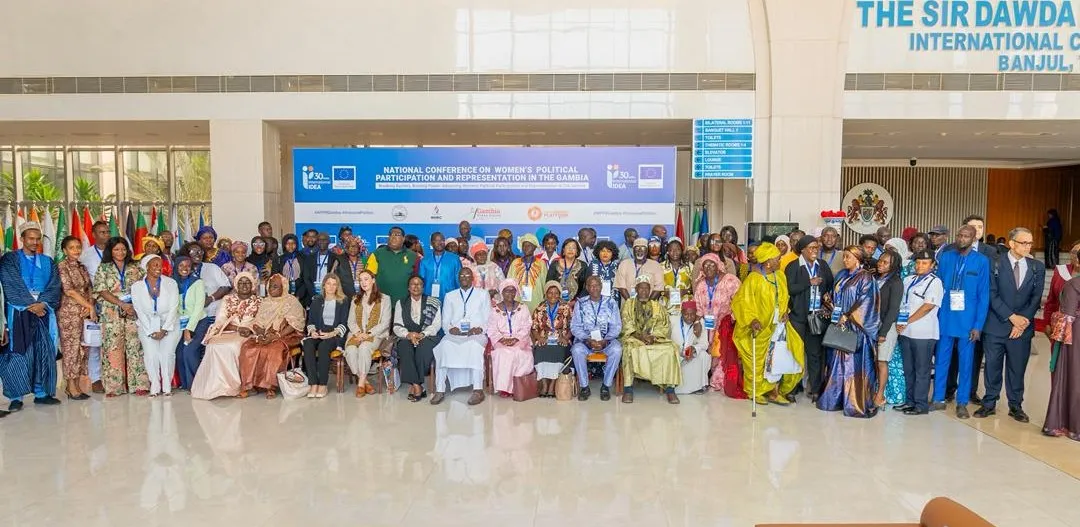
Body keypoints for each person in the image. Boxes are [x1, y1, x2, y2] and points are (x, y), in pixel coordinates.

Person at [975, 227, 1045, 423]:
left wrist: (1021, 322)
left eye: (1030, 243)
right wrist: (1011, 317)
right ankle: (989, 402)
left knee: (1017, 369)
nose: (1027, 246)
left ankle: (1016, 406)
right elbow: (991, 294)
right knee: (992, 367)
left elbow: (1035, 298)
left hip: (1022, 329)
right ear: (1011, 243)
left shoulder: (1036, 267)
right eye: (1024, 242)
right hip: (996, 326)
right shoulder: (994, 263)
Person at [732, 243, 804, 405]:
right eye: (778, 259)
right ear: (768, 262)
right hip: (758, 328)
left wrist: (786, 311)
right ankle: (754, 391)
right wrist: (752, 320)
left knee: (778, 357)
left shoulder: (780, 276)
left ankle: (774, 391)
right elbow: (742, 302)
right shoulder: (753, 279)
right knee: (757, 360)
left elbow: (784, 298)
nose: (780, 261)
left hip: (778, 326)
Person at [0, 222, 61, 411]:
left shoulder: (47, 261)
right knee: (17, 354)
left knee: (43, 352)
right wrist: (31, 305)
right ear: (22, 239)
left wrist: (42, 304)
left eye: (38, 239)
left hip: (43, 312)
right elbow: (10, 283)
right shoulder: (9, 260)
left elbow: (55, 285)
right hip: (19, 313)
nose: (35, 242)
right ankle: (16, 397)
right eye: (31, 239)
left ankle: (41, 393)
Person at [931, 225, 990, 419]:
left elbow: (983, 296)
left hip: (968, 321)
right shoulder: (946, 257)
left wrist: (978, 325)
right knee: (941, 359)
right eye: (959, 235)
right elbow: (938, 287)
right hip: (946, 317)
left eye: (966, 236)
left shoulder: (981, 261)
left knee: (966, 364)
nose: (961, 239)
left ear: (973, 239)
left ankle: (962, 402)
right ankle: (938, 398)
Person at [817, 246, 881, 418]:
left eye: (848, 257)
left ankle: (854, 402)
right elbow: (831, 295)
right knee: (836, 363)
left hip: (856, 328)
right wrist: (830, 305)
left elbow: (867, 302)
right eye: (844, 257)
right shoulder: (842, 275)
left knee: (853, 366)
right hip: (840, 325)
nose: (844, 260)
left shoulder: (866, 277)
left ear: (858, 258)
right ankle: (834, 399)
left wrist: (848, 315)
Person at [190, 272, 261, 400]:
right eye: (240, 282)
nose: (244, 285)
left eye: (247, 282)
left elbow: (260, 321)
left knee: (234, 346)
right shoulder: (227, 299)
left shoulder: (259, 301)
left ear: (253, 285)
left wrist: (249, 329)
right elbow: (220, 319)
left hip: (248, 333)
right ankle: (214, 386)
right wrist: (237, 328)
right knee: (213, 346)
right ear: (235, 285)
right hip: (227, 330)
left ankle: (235, 386)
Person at [93, 237, 148, 397]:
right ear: (110, 251)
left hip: (133, 311)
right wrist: (121, 304)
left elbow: (145, 286)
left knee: (135, 347)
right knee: (113, 348)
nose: (120, 252)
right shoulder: (103, 268)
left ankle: (140, 384)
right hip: (111, 313)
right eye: (116, 249)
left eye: (123, 249)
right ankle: (114, 387)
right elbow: (102, 290)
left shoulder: (136, 266)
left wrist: (133, 305)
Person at [785, 235, 835, 402]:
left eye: (816, 248)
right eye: (812, 248)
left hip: (816, 316)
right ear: (803, 250)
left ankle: (814, 389)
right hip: (798, 317)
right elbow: (789, 289)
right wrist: (809, 282)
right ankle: (791, 388)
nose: (815, 250)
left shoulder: (822, 266)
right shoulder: (793, 266)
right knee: (795, 354)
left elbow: (829, 285)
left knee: (814, 354)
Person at [238, 274, 304, 399]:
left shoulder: (291, 301)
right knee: (248, 348)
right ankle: (250, 385)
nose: (271, 289)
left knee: (273, 350)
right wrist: (260, 333)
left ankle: (270, 387)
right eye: (270, 286)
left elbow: (294, 325)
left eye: (275, 287)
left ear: (283, 288)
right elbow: (257, 322)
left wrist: (275, 336)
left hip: (286, 335)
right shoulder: (266, 301)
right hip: (266, 334)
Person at [430, 268, 490, 406]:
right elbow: (445, 321)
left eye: (467, 275)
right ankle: (440, 389)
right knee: (444, 346)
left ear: (473, 278)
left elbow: (488, 318)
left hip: (476, 334)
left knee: (474, 347)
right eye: (462, 275)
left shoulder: (483, 294)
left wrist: (480, 328)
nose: (464, 277)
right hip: (454, 334)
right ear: (458, 278)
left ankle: (478, 390)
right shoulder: (450, 295)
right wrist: (451, 329)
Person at [895, 250, 944, 415]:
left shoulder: (935, 282)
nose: (920, 266)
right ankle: (909, 401)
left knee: (921, 370)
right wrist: (900, 323)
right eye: (918, 262)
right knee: (908, 369)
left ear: (932, 265)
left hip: (923, 333)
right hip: (905, 332)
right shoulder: (908, 279)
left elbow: (927, 306)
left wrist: (907, 321)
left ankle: (921, 404)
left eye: (924, 263)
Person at [618, 277, 681, 404]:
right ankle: (628, 389)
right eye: (641, 288)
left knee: (671, 349)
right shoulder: (629, 304)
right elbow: (626, 324)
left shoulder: (657, 306)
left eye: (647, 288)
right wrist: (640, 336)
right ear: (636, 289)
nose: (644, 291)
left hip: (654, 339)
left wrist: (653, 337)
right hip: (634, 338)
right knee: (629, 349)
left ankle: (670, 389)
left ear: (650, 290)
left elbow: (664, 325)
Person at [131, 254, 181, 397]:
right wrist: (150, 329)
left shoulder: (171, 283)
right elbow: (138, 310)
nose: (159, 268)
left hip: (170, 324)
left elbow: (174, 307)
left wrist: (164, 329)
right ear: (146, 267)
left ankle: (166, 385)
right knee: (151, 355)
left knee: (167, 354)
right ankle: (155, 384)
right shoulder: (137, 286)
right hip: (147, 324)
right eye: (155, 265)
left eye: (160, 265)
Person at [694, 253, 741, 397]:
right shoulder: (701, 284)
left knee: (722, 353)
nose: (708, 267)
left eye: (711, 264)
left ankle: (719, 380)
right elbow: (698, 307)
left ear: (718, 266)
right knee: (708, 350)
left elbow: (740, 302)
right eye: (705, 265)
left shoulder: (731, 281)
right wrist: (697, 322)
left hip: (726, 324)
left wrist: (732, 319)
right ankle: (705, 377)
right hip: (708, 325)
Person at [570, 275, 622, 401]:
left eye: (597, 285)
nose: (594, 288)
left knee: (617, 350)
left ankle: (605, 386)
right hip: (586, 342)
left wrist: (606, 340)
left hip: (606, 341)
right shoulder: (580, 303)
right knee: (576, 350)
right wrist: (587, 339)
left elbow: (616, 326)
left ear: (601, 286)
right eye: (591, 286)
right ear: (587, 288)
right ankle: (584, 387)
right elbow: (575, 327)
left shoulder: (611, 303)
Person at [57, 236, 95, 400]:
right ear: (65, 250)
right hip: (69, 313)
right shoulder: (62, 267)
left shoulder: (82, 267)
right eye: (71, 248)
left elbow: (89, 288)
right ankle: (71, 387)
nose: (76, 250)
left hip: (83, 312)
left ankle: (78, 385)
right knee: (71, 350)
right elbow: (69, 290)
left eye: (78, 247)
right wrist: (88, 306)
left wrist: (89, 306)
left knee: (82, 349)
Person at [1043, 273, 1080, 439]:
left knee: (1073, 377)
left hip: (1075, 336)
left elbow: (1068, 314)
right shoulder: (1073, 284)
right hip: (1076, 335)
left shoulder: (1074, 284)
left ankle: (1071, 425)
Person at [394, 275, 442, 402]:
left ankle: (415, 385)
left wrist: (423, 334)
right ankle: (417, 385)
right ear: (408, 288)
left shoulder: (433, 302)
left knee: (423, 349)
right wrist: (408, 335)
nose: (416, 286)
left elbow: (436, 325)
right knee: (404, 348)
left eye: (419, 284)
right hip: (407, 336)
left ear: (423, 287)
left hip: (428, 336)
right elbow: (397, 325)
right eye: (413, 284)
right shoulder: (401, 303)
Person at [301, 273, 350, 399]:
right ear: (324, 285)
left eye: (334, 284)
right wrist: (312, 332)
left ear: (337, 286)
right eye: (328, 283)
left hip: (334, 334)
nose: (331, 287)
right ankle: (313, 383)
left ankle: (323, 384)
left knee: (323, 347)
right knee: (308, 344)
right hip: (318, 332)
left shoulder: (343, 301)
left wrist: (331, 334)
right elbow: (310, 321)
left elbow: (344, 323)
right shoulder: (317, 300)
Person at [343, 270, 390, 397]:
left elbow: (385, 323)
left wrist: (368, 334)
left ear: (373, 280)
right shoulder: (355, 299)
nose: (363, 283)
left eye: (366, 279)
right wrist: (358, 333)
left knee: (364, 348)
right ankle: (364, 381)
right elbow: (350, 321)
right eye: (361, 280)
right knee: (351, 349)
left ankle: (360, 384)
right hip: (356, 334)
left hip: (375, 335)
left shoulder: (385, 299)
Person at [488, 279, 534, 398]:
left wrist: (516, 338)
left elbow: (527, 326)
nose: (510, 294)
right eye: (507, 291)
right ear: (502, 293)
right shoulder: (494, 309)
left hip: (520, 340)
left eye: (513, 291)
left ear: (516, 292)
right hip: (501, 340)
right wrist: (501, 339)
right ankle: (504, 388)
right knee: (501, 353)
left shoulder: (523, 308)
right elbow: (491, 329)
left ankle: (517, 386)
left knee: (519, 352)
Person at [80, 219, 111, 393]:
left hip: (114, 302)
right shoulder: (86, 255)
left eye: (107, 232)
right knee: (95, 342)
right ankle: (96, 378)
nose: (106, 235)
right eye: (102, 232)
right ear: (93, 235)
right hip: (96, 303)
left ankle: (113, 376)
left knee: (113, 341)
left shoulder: (116, 251)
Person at [531, 281, 572, 398]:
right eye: (550, 293)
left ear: (559, 294)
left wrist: (565, 338)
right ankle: (544, 385)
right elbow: (534, 328)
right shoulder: (540, 308)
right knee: (539, 350)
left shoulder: (566, 308)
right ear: (546, 294)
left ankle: (552, 385)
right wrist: (539, 338)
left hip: (561, 338)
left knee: (559, 351)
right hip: (544, 338)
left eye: (556, 293)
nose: (553, 295)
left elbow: (572, 327)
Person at [874, 250, 903, 407]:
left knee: (882, 361)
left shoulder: (896, 282)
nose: (880, 263)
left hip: (887, 326)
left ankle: (880, 395)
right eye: (880, 260)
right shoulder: (876, 278)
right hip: (873, 325)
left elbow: (893, 310)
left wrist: (883, 332)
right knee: (874, 360)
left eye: (885, 262)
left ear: (893, 266)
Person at [173, 256, 207, 391]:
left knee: (189, 351)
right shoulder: (171, 283)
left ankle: (197, 384)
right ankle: (186, 384)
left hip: (198, 322)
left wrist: (189, 329)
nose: (184, 269)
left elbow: (199, 308)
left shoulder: (197, 283)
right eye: (181, 266)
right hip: (179, 323)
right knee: (179, 353)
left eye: (187, 266)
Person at [367, 226, 418, 304]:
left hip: (405, 303)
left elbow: (417, 280)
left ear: (403, 238)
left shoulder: (413, 256)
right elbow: (368, 278)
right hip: (381, 302)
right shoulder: (377, 254)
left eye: (397, 235)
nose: (393, 237)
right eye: (391, 235)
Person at [673, 300, 709, 395]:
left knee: (704, 355)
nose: (689, 317)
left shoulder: (700, 322)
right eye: (686, 315)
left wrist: (694, 348)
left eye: (692, 315)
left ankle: (699, 386)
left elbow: (705, 344)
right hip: (676, 356)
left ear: (695, 313)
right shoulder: (673, 320)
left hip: (690, 357)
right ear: (681, 313)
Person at [1042, 241, 1080, 332]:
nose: (1076, 256)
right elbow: (1052, 299)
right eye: (1074, 252)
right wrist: (1047, 322)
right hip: (1060, 325)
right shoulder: (1061, 271)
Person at [418, 231, 461, 303]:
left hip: (450, 297)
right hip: (429, 297)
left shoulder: (454, 259)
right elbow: (421, 280)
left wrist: (459, 297)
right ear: (431, 243)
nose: (440, 243)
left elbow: (458, 279)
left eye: (442, 240)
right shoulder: (425, 260)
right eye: (436, 241)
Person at [507, 233, 546, 310]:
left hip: (537, 302)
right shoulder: (515, 262)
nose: (526, 248)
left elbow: (544, 284)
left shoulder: (541, 263)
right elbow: (509, 282)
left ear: (534, 247)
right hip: (517, 302)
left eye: (529, 245)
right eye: (524, 245)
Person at [662, 238, 693, 324]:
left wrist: (686, 291)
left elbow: (695, 286)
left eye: (678, 249)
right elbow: (656, 287)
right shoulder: (660, 267)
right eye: (671, 249)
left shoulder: (689, 267)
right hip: (666, 306)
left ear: (682, 251)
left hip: (685, 308)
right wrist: (664, 293)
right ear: (667, 251)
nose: (675, 252)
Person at [272, 233, 306, 304]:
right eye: (288, 243)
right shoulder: (278, 260)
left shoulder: (303, 258)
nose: (290, 246)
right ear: (284, 245)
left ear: (296, 244)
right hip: (283, 294)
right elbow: (275, 278)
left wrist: (299, 296)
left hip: (300, 295)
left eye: (293, 243)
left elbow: (305, 280)